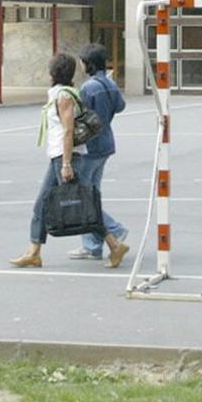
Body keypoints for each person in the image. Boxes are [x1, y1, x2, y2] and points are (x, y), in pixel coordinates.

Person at [10, 52, 130, 269]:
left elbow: (68, 130)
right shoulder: (59, 93)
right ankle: (33, 252)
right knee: (42, 204)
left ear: (53, 72)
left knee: (84, 205)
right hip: (58, 155)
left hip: (66, 157)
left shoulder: (64, 96)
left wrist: (66, 164)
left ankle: (114, 243)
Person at [68, 43, 129, 263]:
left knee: (84, 197)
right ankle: (92, 246)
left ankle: (113, 229)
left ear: (89, 64)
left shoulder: (88, 87)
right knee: (92, 193)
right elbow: (120, 106)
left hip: (89, 147)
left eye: (83, 62)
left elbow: (78, 116)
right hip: (106, 143)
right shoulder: (110, 84)